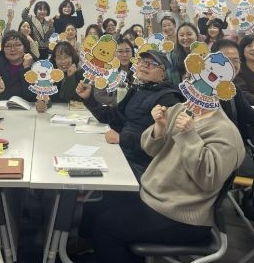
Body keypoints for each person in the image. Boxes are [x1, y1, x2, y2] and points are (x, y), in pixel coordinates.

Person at [90, 89, 244, 263]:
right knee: (99, 206)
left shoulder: (226, 132)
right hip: (154, 197)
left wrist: (188, 135)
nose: (196, 89)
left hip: (182, 215)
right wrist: (159, 127)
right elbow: (150, 148)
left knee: (106, 227)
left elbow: (208, 178)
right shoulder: (180, 110)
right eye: (192, 80)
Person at [77, 50, 183, 178]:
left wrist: (122, 139)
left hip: (143, 166)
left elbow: (163, 143)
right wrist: (88, 98)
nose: (144, 66)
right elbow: (112, 116)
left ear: (163, 73)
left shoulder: (169, 99)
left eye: (152, 64)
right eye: (142, 62)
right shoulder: (137, 90)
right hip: (122, 152)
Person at [0, 31, 39, 105]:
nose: (12, 49)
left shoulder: (36, 66)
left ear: (25, 48)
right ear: (3, 49)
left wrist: (27, 69)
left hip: (26, 109)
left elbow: (31, 96)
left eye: (17, 45)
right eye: (8, 46)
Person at [93, 38, 135, 106]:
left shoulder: (138, 71)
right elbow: (99, 95)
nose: (124, 55)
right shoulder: (106, 71)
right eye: (120, 51)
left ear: (132, 53)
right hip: (112, 108)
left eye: (127, 51)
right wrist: (119, 100)